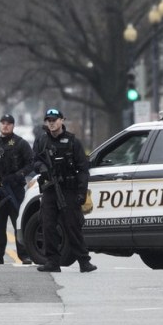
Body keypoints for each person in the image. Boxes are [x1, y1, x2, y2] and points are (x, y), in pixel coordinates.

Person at [32, 108, 96, 273]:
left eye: (54, 119)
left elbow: (83, 169)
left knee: (72, 226)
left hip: (68, 190)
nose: (51, 123)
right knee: (48, 226)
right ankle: (52, 262)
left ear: (62, 120)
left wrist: (82, 192)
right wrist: (42, 167)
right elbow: (34, 161)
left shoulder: (73, 142)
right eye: (49, 120)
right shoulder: (41, 141)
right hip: (49, 190)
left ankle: (84, 261)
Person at [0, 114, 33, 265]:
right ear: (0, 125)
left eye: (9, 123)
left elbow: (31, 163)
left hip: (14, 189)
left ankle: (24, 255)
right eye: (3, 123)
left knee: (18, 223)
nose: (5, 126)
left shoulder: (20, 143)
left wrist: (17, 175)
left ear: (13, 126)